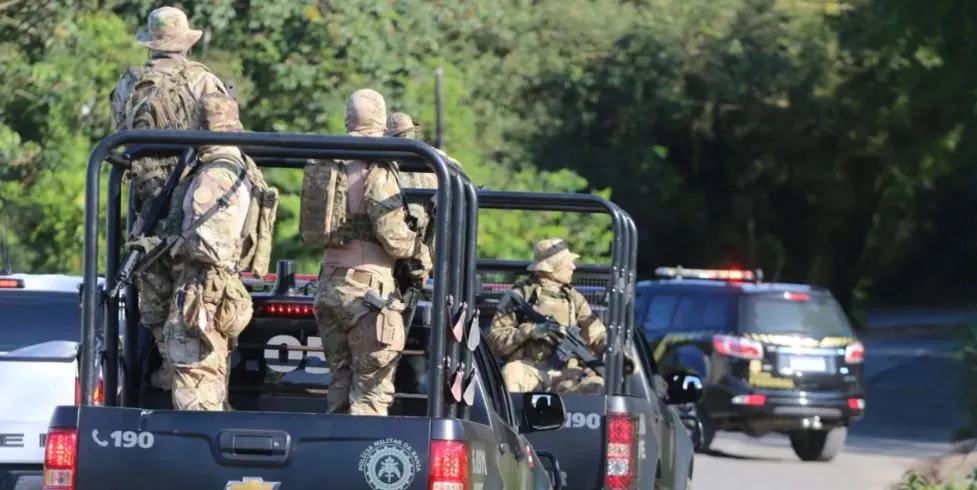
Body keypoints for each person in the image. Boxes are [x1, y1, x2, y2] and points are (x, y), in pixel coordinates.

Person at [111, 5, 231, 393]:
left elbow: (120, 138)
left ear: (151, 43)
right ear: (186, 43)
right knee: (198, 289)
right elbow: (226, 138)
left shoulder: (129, 83)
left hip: (144, 203)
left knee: (154, 291)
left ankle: (166, 368)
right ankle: (194, 377)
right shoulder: (203, 81)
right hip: (189, 199)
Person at [313, 90, 433, 416]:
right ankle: (354, 465)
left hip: (329, 285)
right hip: (367, 292)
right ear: (380, 118)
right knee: (370, 396)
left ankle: (330, 458)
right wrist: (421, 253)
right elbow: (392, 236)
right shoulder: (377, 165)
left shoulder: (331, 159)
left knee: (340, 383)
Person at [161, 93, 258, 410]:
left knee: (197, 392)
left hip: (203, 292)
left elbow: (211, 245)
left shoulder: (216, 172)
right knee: (208, 384)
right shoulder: (235, 165)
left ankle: (196, 455)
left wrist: (169, 244)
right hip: (211, 291)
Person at [486, 238, 608, 394]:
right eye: (567, 263)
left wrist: (614, 351)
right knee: (511, 375)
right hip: (528, 370)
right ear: (552, 268)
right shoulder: (521, 295)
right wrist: (530, 331)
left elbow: (596, 333)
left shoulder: (574, 299)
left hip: (566, 374)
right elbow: (494, 342)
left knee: (596, 386)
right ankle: (514, 419)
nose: (573, 267)